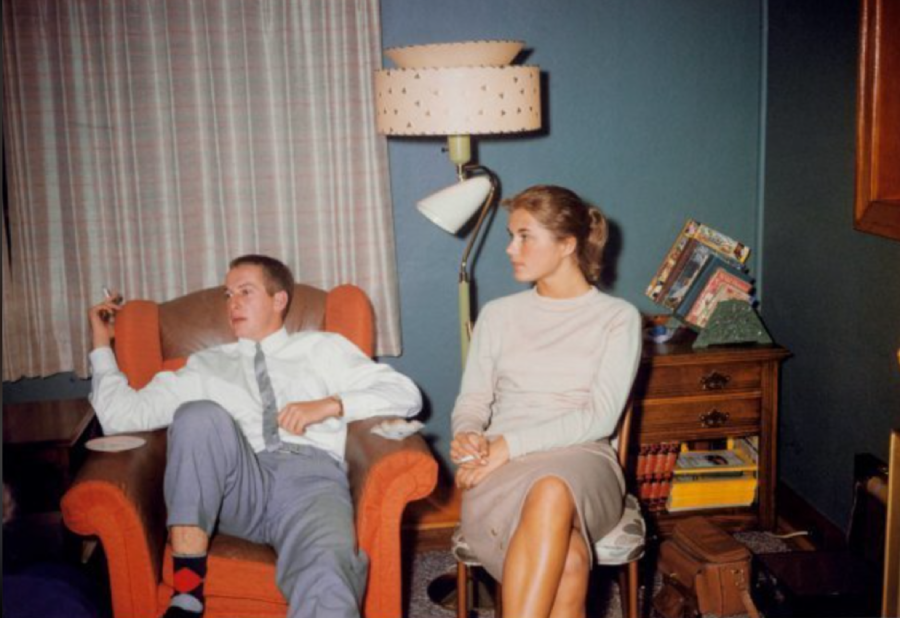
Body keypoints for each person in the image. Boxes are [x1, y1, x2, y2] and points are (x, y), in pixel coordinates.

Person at [88, 254, 422, 618]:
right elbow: (121, 416)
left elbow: (405, 394)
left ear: (279, 300)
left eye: (245, 292)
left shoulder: (323, 348)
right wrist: (102, 345)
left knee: (327, 574)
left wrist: (329, 405)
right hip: (236, 487)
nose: (233, 303)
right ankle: (186, 595)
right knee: (199, 415)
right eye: (228, 295)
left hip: (310, 486)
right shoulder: (205, 364)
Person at [450, 186, 642, 618]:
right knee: (570, 561)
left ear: (567, 245)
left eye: (524, 236)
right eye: (510, 235)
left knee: (553, 487)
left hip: (583, 462)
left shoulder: (617, 318)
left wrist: (506, 446)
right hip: (502, 468)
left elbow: (599, 417)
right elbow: (474, 400)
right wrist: (468, 435)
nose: (509, 248)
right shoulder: (498, 315)